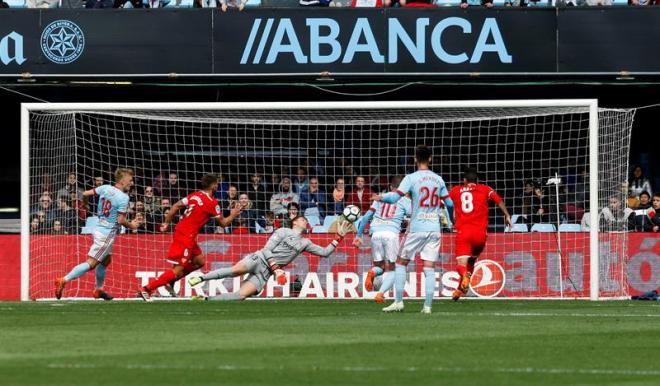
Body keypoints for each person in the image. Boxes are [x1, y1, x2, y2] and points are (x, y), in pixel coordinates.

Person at [188, 217, 352, 301]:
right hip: (259, 259)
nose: (305, 221)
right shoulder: (283, 231)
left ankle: (205, 299)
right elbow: (266, 250)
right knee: (235, 271)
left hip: (265, 273)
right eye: (303, 219)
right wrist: (277, 269)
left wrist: (339, 238)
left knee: (240, 296)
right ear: (295, 222)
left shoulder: (305, 242)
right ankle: (201, 277)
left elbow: (325, 253)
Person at [372, 145, 453, 314]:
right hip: (434, 229)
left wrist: (380, 197)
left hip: (416, 227)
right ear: (430, 158)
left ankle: (399, 302)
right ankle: (428, 306)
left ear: (415, 159)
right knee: (429, 266)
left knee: (401, 263)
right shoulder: (438, 179)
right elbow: (450, 203)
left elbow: (395, 197)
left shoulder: (411, 178)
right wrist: (451, 221)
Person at [138, 174, 241, 301]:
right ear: (214, 185)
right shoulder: (212, 203)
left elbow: (175, 206)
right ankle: (146, 289)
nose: (217, 186)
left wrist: (166, 223)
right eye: (217, 184)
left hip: (184, 232)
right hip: (186, 236)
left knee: (199, 261)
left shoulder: (195, 195)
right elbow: (224, 223)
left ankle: (170, 281)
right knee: (177, 269)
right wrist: (234, 214)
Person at [55, 168, 141, 300]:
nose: (132, 183)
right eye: (130, 180)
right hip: (106, 234)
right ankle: (64, 280)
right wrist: (132, 225)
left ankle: (98, 290)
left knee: (106, 260)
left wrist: (84, 204)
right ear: (122, 180)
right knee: (92, 263)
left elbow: (84, 193)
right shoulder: (123, 198)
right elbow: (121, 220)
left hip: (99, 228)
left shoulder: (105, 188)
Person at [447, 168, 512, 301]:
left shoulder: (455, 190)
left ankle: (464, 276)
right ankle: (459, 290)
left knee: (461, 265)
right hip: (481, 234)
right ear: (477, 180)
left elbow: (446, 202)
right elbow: (499, 200)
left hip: (464, 232)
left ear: (464, 180)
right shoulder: (485, 189)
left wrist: (451, 216)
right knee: (472, 260)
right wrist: (507, 215)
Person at [354, 192, 411, 303]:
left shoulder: (380, 197)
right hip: (391, 234)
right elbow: (414, 215)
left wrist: (358, 236)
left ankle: (372, 272)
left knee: (380, 266)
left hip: (375, 234)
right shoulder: (404, 200)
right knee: (394, 268)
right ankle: (381, 294)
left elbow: (365, 217)